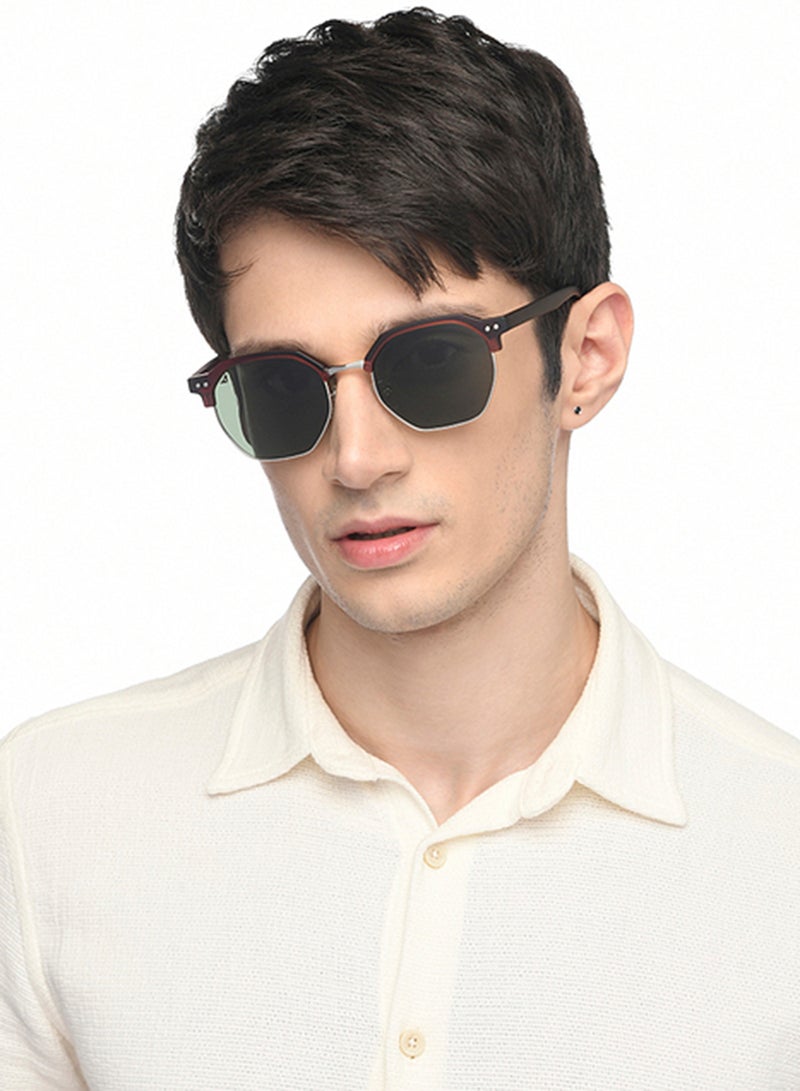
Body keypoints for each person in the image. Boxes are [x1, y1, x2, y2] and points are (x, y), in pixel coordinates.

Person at [1, 8, 798, 1088]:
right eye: (281, 386)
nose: (356, 457)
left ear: (587, 357)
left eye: (429, 363)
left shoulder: (777, 856)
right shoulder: (50, 817)